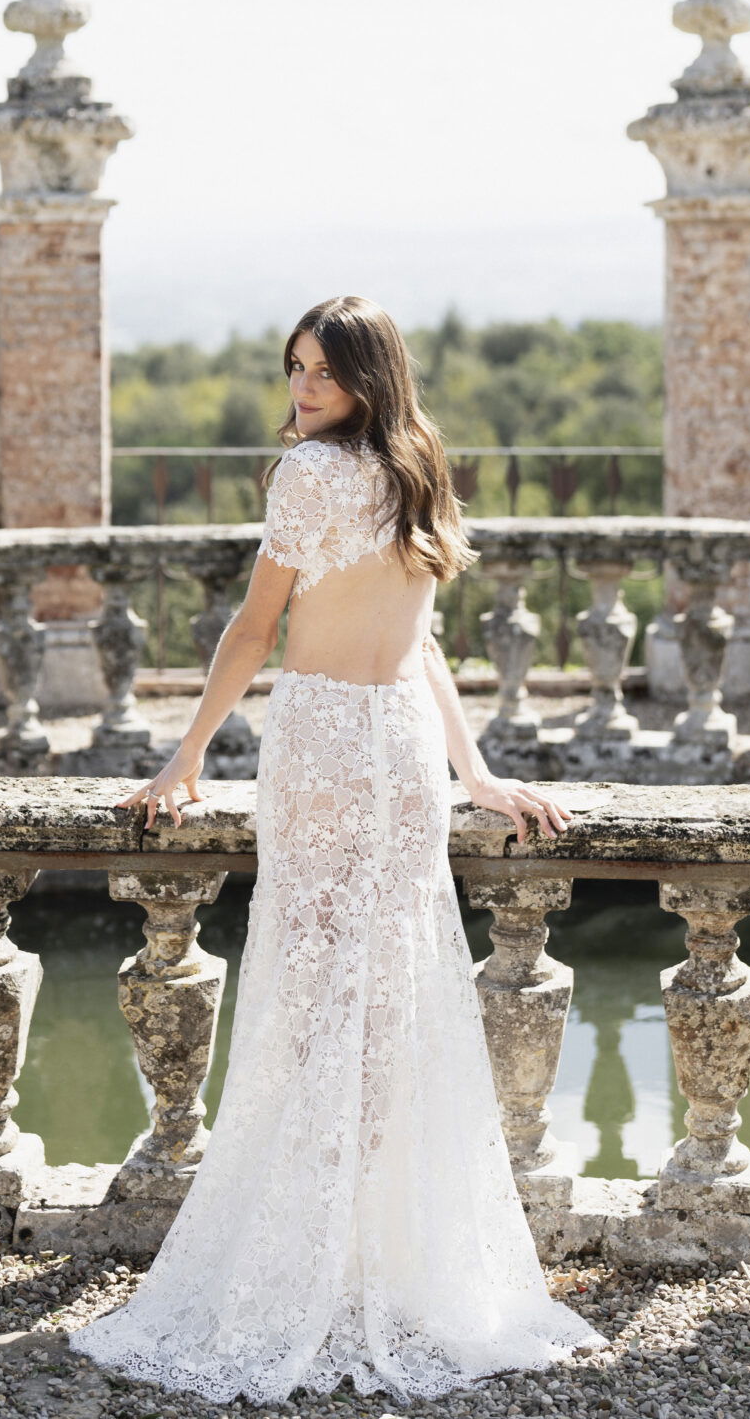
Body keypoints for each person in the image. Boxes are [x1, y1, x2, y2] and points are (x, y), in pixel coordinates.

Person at [69, 295, 610, 1406]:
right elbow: (422, 649)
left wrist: (183, 760)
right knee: (387, 989)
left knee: (315, 989)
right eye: (293, 371)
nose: (300, 391)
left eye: (319, 372)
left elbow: (255, 628)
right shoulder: (419, 468)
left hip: (320, 738)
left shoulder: (306, 476)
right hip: (397, 750)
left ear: (368, 374)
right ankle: (371, 1248)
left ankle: (305, 1256)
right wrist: (469, 772)